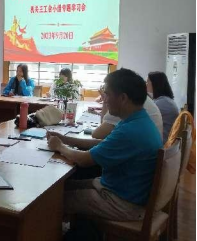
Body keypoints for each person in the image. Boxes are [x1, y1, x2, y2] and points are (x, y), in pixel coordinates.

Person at [47, 68, 162, 221]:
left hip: (123, 203)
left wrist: (59, 146)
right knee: (64, 186)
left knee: (51, 200)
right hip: (124, 190)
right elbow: (104, 143)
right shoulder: (138, 120)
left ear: (123, 98)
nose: (104, 100)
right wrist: (66, 140)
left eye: (107, 94)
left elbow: (83, 160)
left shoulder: (130, 131)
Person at [147, 71, 180, 143]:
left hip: (163, 142)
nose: (146, 84)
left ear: (155, 84)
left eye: (148, 81)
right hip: (165, 139)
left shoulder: (162, 103)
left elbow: (146, 118)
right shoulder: (164, 100)